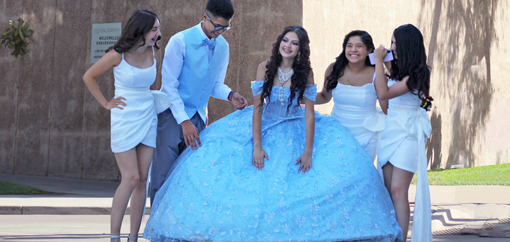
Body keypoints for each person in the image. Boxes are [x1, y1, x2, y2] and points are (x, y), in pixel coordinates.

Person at [145, 25, 400, 242]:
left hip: (296, 125)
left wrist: (308, 151)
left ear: (301, 49)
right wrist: (257, 145)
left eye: (294, 43)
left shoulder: (306, 73)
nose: (288, 45)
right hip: (265, 124)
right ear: (280, 42)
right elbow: (257, 108)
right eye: (285, 40)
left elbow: (309, 113)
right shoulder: (264, 67)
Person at [149, 0, 248, 203]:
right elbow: (169, 86)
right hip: (172, 116)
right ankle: (156, 220)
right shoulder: (180, 41)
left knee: (189, 177)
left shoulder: (223, 47)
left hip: (198, 119)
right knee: (162, 175)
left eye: (226, 27)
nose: (220, 31)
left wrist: (230, 95)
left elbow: (215, 85)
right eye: (217, 26)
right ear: (204, 17)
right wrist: (184, 121)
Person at [83, 9, 169, 242]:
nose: (158, 34)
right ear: (140, 30)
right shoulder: (117, 55)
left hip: (147, 116)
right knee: (130, 177)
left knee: (142, 179)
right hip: (124, 118)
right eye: (154, 29)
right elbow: (88, 76)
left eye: (158, 29)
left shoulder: (153, 52)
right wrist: (106, 103)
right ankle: (114, 237)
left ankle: (133, 238)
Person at [375, 24, 433, 242]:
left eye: (396, 44)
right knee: (388, 189)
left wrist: (379, 62)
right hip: (391, 131)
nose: (392, 47)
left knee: (399, 190)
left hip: (408, 133)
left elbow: (384, 93)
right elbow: (385, 105)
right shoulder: (398, 72)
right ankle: (390, 234)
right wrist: (386, 68)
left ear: (407, 45)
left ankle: (401, 238)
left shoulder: (418, 73)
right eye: (391, 43)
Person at [315, 28, 386, 162]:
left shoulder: (376, 73)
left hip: (366, 136)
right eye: (349, 46)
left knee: (362, 172)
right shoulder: (334, 69)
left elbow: (386, 107)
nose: (353, 50)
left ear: (369, 50)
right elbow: (324, 97)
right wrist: (298, 97)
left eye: (359, 46)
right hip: (337, 134)